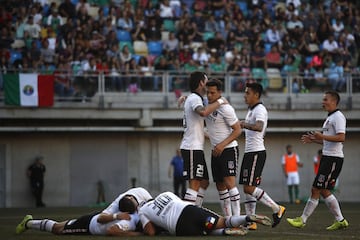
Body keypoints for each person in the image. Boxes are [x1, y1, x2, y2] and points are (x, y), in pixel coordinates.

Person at [287, 91, 349, 231]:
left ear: (334, 101)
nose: (323, 102)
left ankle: (302, 220)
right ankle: (340, 220)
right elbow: (328, 142)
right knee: (324, 190)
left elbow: (341, 138)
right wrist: (315, 140)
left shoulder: (338, 117)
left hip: (333, 159)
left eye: (325, 99)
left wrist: (321, 136)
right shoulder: (330, 118)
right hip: (328, 158)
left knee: (316, 188)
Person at [239, 82, 286, 230]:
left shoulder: (260, 109)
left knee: (249, 188)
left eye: (247, 93)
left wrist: (243, 124)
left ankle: (276, 208)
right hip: (250, 153)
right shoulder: (251, 110)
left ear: (256, 95)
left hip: (256, 153)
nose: (245, 96)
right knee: (247, 187)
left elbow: (259, 127)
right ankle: (251, 220)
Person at [180, 71, 227, 206]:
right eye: (206, 81)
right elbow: (203, 111)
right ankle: (185, 216)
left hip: (195, 148)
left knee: (204, 182)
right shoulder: (195, 98)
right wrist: (220, 101)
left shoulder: (194, 98)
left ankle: (195, 210)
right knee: (195, 183)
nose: (208, 85)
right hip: (191, 147)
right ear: (201, 82)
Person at [138, 191, 272, 236]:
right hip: (188, 210)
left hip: (178, 227)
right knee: (221, 221)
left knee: (204, 231)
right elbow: (179, 202)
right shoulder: (165, 194)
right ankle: (247, 218)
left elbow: (150, 232)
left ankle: (224, 233)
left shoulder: (142, 211)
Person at [204, 79, 242, 216]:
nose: (209, 96)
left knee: (229, 183)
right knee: (220, 185)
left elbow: (238, 130)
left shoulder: (226, 108)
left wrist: (222, 145)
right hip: (215, 150)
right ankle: (228, 218)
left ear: (220, 92)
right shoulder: (206, 105)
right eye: (207, 92)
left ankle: (237, 219)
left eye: (212, 93)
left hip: (229, 149)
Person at [15, 209, 141, 236]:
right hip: (88, 226)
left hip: (91, 219)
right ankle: (28, 223)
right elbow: (112, 230)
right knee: (57, 230)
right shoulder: (132, 221)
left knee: (60, 226)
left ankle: (29, 222)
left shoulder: (136, 215)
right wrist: (136, 234)